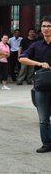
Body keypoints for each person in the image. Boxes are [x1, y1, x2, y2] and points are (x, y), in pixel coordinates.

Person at [19, 16, 51, 153]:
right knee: (43, 118)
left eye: (49, 26)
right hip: (41, 86)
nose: (46, 29)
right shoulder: (36, 45)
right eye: (44, 26)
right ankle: (47, 144)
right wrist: (39, 64)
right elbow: (22, 58)